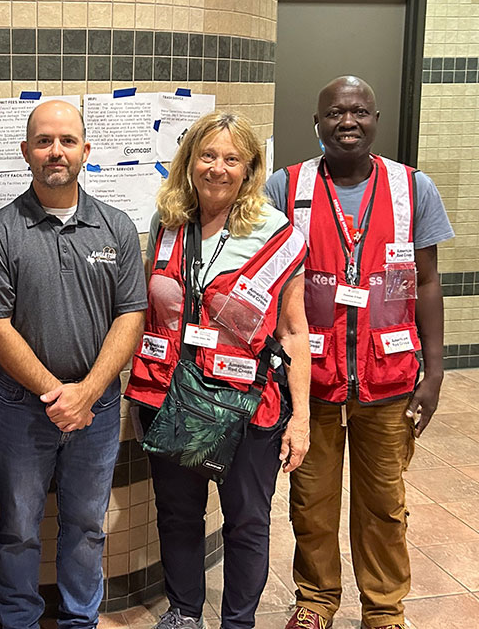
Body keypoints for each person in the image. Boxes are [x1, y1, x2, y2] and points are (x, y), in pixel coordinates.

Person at [267, 76, 454, 629]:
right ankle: (316, 600)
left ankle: (384, 610)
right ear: (317, 123)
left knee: (383, 505)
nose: (347, 122)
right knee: (311, 499)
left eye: (359, 112)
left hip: (389, 376)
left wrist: (435, 371)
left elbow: (427, 282)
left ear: (376, 119)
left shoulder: (412, 188)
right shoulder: (287, 187)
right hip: (314, 379)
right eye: (335, 114)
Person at [126, 112, 311, 629]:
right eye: (207, 155)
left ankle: (238, 623)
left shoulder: (278, 234)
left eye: (232, 159)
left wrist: (302, 420)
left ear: (249, 168)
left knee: (247, 522)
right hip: (172, 398)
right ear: (190, 161)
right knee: (178, 513)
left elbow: (295, 332)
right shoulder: (167, 225)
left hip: (250, 406)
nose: (218, 168)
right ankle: (185, 612)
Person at [0, 99, 147, 629]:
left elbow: (131, 314)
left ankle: (78, 621)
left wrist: (87, 393)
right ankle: (19, 621)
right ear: (26, 152)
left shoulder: (116, 228)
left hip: (96, 409)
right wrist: (58, 394)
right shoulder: (1, 231)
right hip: (23, 410)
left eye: (67, 141)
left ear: (85, 151)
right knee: (19, 526)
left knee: (87, 524)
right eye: (44, 141)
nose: (56, 151)